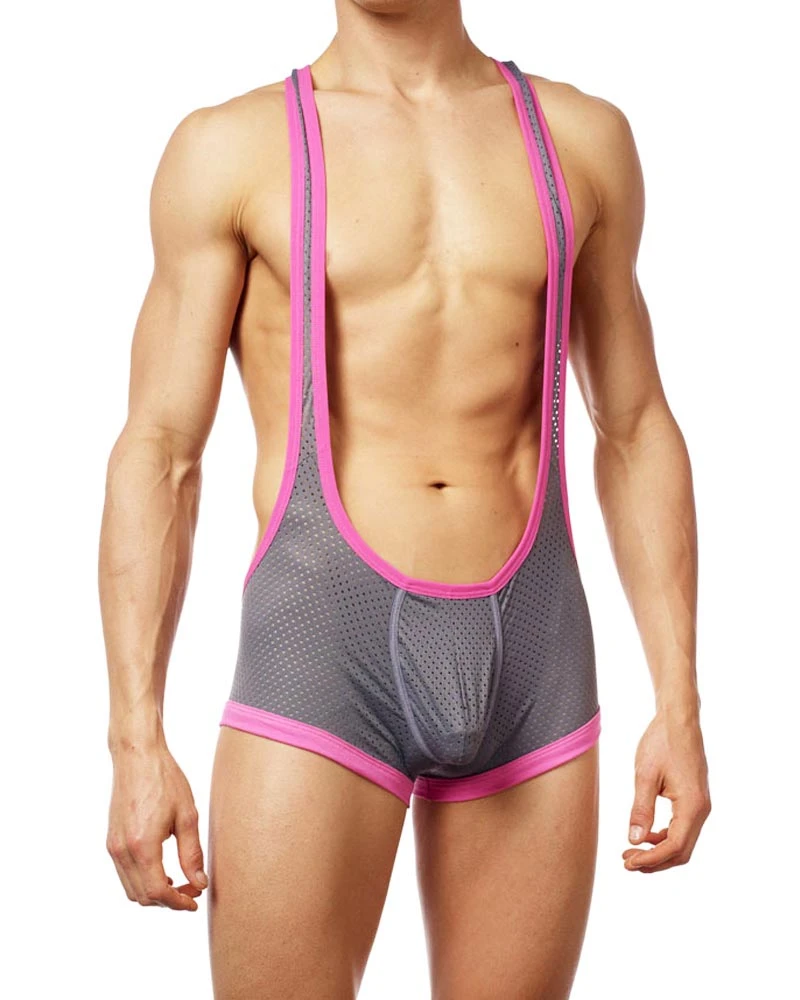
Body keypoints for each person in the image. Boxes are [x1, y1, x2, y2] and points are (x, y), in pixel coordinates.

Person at [98, 1, 711, 996]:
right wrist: (135, 741)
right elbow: (160, 451)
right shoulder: (231, 151)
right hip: (319, 653)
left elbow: (635, 423)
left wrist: (678, 703)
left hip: (536, 658)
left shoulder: (582, 140)